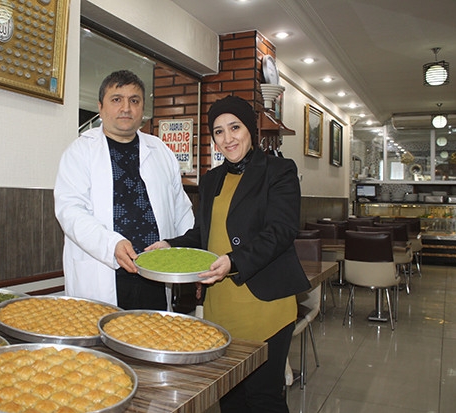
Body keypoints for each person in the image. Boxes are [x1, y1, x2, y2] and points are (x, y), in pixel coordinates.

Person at [147, 95, 311, 412]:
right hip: (221, 306)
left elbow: (281, 231)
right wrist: (171, 244)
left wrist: (234, 261)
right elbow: (204, 234)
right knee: (230, 397)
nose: (228, 138)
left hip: (266, 305)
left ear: (250, 129)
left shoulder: (279, 171)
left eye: (235, 127)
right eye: (219, 131)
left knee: (264, 398)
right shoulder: (212, 179)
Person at [54, 70, 194, 310]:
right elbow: (70, 211)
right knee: (102, 342)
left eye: (134, 100)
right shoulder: (80, 152)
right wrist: (112, 245)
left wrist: (189, 259)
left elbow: (181, 211)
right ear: (100, 107)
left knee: (156, 337)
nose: (126, 108)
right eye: (117, 99)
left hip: (156, 276)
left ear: (142, 109)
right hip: (104, 271)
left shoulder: (161, 151)